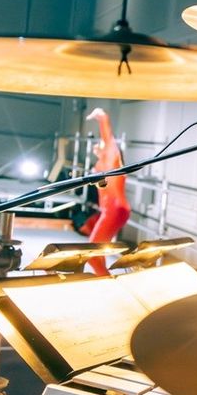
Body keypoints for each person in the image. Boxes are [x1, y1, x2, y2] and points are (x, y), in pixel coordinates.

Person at [84, 108, 131, 276]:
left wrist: (100, 116)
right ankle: (104, 280)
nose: (98, 145)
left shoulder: (111, 158)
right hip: (113, 209)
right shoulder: (104, 162)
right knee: (98, 251)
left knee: (92, 254)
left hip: (114, 209)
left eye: (102, 145)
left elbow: (108, 138)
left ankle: (106, 283)